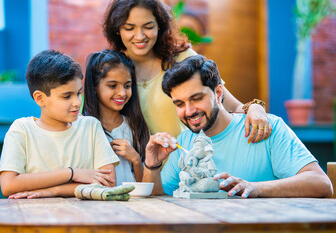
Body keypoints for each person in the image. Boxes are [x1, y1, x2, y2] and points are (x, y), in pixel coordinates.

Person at [142, 55, 333, 198]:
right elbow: (160, 200)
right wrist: (151, 164)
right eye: (180, 104)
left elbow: (322, 184)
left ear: (218, 94)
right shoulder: (184, 141)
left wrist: (255, 188)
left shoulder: (266, 127)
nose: (189, 111)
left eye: (197, 98)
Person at [103, 0, 271, 143]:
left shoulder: (183, 58)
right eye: (129, 28)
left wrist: (256, 108)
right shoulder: (112, 71)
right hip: (142, 174)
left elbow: (231, 106)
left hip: (191, 169)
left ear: (159, 26)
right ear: (117, 29)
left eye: (148, 26)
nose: (139, 36)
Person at [0, 50, 120, 199]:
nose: (77, 103)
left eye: (78, 93)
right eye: (67, 96)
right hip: (35, 218)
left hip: (85, 219)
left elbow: (108, 183)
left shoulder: (90, 127)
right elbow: (9, 185)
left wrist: (53, 191)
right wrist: (72, 173)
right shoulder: (22, 130)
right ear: (40, 98)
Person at [83, 49, 149, 184]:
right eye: (113, 86)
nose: (122, 93)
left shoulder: (136, 126)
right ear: (95, 87)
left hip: (134, 202)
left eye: (127, 85)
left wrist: (135, 159)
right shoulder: (83, 128)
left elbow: (146, 184)